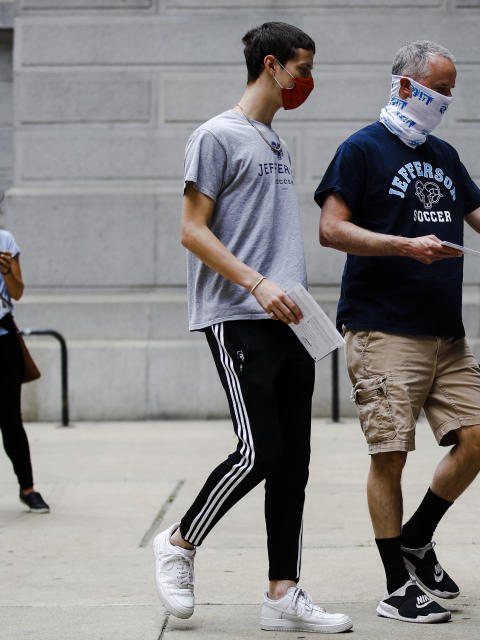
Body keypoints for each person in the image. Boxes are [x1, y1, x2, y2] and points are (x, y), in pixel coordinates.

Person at [314, 40, 480, 624]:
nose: (446, 101)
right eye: (439, 89)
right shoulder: (360, 150)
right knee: (389, 455)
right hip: (383, 329)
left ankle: (417, 537)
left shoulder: (442, 154)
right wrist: (404, 246)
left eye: (452, 91)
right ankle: (395, 586)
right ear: (406, 86)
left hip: (445, 333)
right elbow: (331, 230)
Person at [151, 22, 352, 634]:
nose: (306, 81)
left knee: (293, 462)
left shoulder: (273, 142)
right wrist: (256, 283)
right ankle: (180, 542)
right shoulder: (215, 136)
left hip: (291, 321)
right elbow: (192, 230)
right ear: (271, 65)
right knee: (259, 451)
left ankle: (281, 593)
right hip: (238, 316)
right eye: (302, 68)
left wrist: (291, 295)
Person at [0, 229, 49, 514]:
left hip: (4, 339)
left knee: (11, 420)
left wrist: (7, 271)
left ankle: (27, 488)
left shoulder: (5, 240)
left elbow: (16, 292)